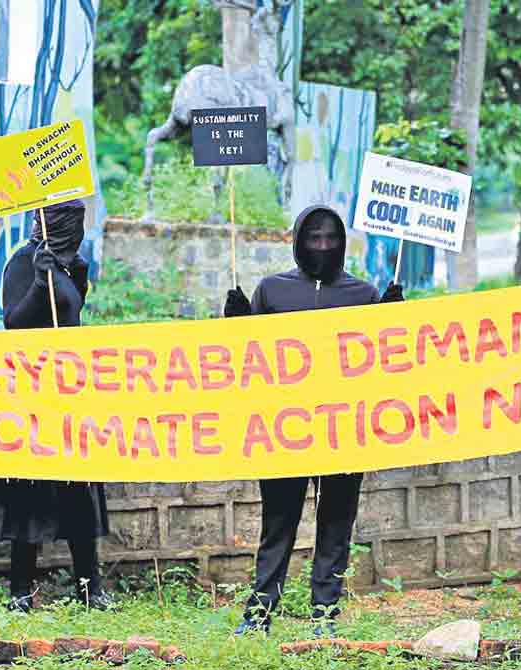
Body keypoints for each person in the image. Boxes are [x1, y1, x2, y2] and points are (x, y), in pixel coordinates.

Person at [223, 205, 405, 636]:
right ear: (298, 241)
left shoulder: (362, 295)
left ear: (342, 243)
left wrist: (393, 318)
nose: (322, 246)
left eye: (331, 238)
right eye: (313, 238)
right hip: (285, 431)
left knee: (336, 526)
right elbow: (249, 359)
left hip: (343, 432)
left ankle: (324, 616)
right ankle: (259, 615)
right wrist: (237, 322)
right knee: (277, 525)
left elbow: (380, 361)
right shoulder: (272, 291)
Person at [0, 199, 114, 613]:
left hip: (68, 395)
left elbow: (70, 318)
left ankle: (89, 587)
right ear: (48, 223)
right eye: (66, 221)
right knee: (29, 495)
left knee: (78, 494)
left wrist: (76, 279)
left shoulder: (68, 264)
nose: (74, 229)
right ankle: (20, 591)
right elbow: (14, 323)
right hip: (30, 395)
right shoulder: (25, 262)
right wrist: (40, 282)